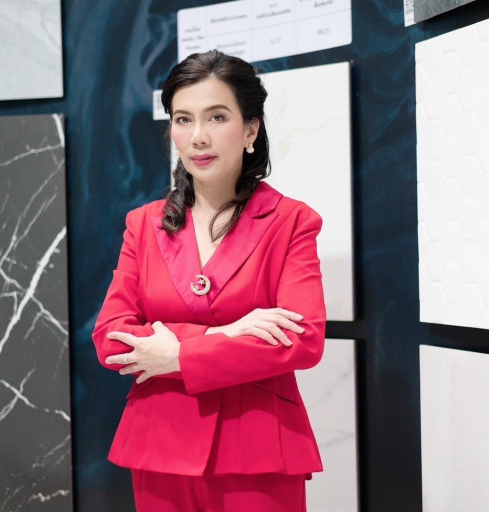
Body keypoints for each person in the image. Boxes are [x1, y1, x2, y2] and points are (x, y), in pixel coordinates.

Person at [92, 49, 325, 512]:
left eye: (216, 117)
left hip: (256, 448)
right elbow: (111, 339)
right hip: (159, 446)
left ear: (251, 130)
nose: (198, 136)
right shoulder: (143, 224)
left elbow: (302, 339)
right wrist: (224, 334)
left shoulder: (292, 221)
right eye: (183, 119)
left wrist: (177, 354)